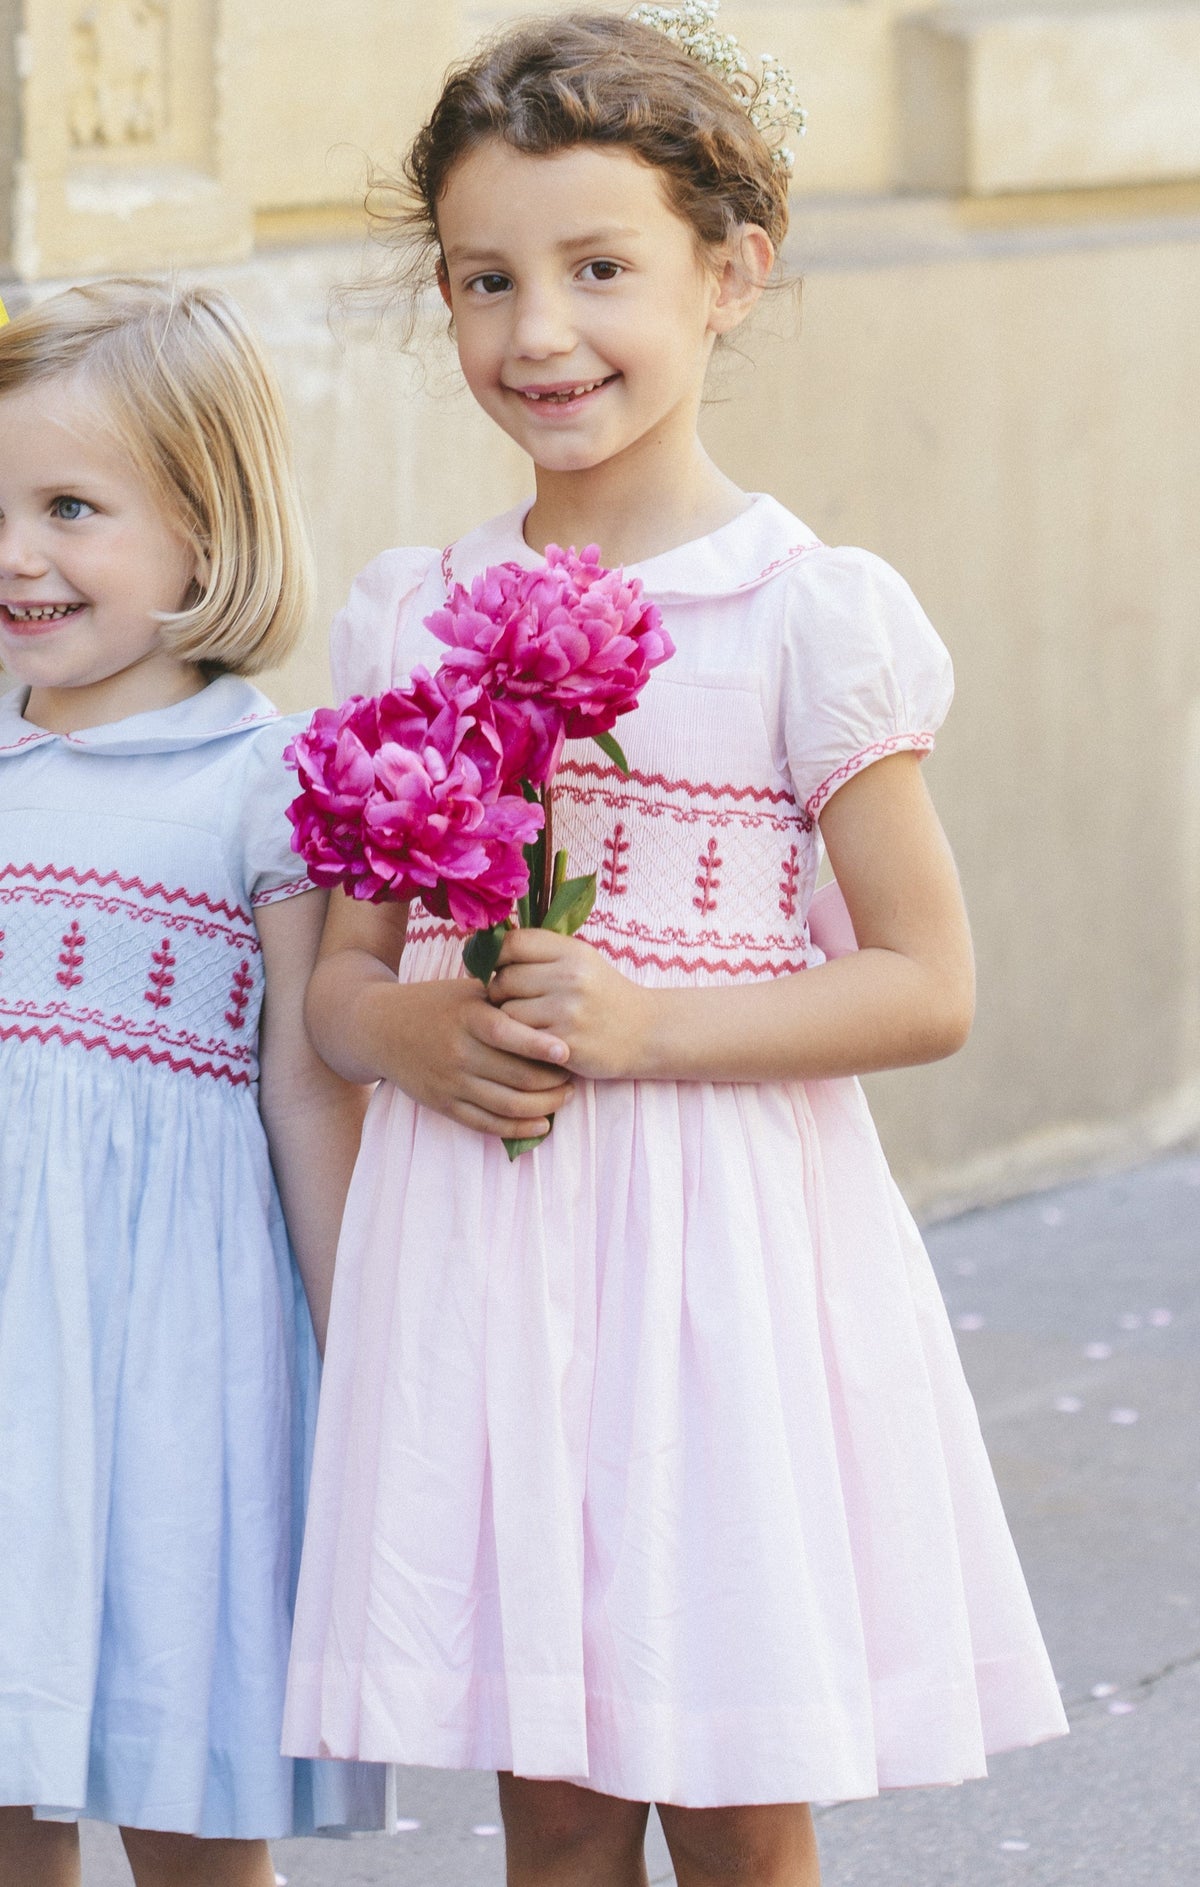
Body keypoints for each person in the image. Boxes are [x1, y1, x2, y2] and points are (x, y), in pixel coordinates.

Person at [282, 10, 1068, 1883]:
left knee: (731, 1795)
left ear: (733, 275)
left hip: (716, 1270)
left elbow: (926, 985)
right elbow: (336, 979)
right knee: (547, 1808)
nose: (537, 332)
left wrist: (644, 1027)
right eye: (487, 280)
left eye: (599, 268)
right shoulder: (415, 618)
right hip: (489, 1256)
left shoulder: (807, 617)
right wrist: (410, 1034)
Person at [0, 279, 383, 1887]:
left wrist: (365, 1347)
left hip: (178, 1360)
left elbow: (308, 1090)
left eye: (70, 508)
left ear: (207, 539)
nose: (18, 552)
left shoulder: (269, 788)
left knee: (182, 1775)